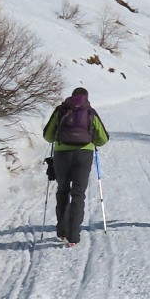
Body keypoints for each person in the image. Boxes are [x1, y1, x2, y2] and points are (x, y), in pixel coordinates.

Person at [42, 87, 109, 245]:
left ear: (71, 97)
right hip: (83, 155)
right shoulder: (90, 112)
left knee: (63, 191)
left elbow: (47, 136)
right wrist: (92, 140)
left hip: (61, 155)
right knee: (78, 195)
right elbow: (103, 139)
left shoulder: (61, 110)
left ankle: (62, 232)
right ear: (86, 97)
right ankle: (74, 237)